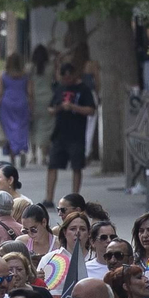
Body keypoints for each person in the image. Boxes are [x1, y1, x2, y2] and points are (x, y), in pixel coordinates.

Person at [43, 59, 96, 204]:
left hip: (76, 134)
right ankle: (49, 197)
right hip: (60, 133)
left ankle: (74, 197)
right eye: (64, 78)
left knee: (77, 166)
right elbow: (51, 108)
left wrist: (74, 107)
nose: (67, 80)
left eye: (69, 77)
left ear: (74, 75)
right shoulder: (60, 88)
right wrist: (60, 108)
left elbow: (91, 110)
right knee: (52, 165)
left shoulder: (83, 90)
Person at [0, 53, 34, 164]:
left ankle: (13, 156)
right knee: (22, 128)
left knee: (10, 130)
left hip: (7, 105)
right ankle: (21, 149)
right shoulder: (26, 76)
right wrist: (31, 107)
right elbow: (30, 93)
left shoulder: (3, 75)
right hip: (22, 103)